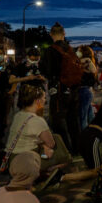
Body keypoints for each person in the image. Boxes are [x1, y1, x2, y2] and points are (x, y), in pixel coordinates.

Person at [2, 85, 72, 187]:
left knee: (47, 144)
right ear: (37, 101)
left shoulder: (18, 115)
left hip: (11, 161)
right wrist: (45, 146)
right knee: (60, 146)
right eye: (44, 98)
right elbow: (51, 144)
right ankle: (49, 172)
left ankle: (40, 174)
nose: (45, 100)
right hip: (26, 162)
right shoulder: (37, 120)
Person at [39, 22, 81, 156]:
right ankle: (77, 149)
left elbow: (46, 70)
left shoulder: (51, 50)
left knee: (58, 122)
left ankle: (65, 150)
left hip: (58, 90)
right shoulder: (71, 49)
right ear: (64, 34)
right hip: (73, 90)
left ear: (51, 34)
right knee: (73, 122)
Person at [78, 46, 97, 130]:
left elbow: (94, 71)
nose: (77, 52)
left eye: (79, 50)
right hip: (86, 90)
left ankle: (85, 136)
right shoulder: (86, 61)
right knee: (89, 114)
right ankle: (94, 131)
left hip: (84, 91)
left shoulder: (86, 60)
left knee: (83, 116)